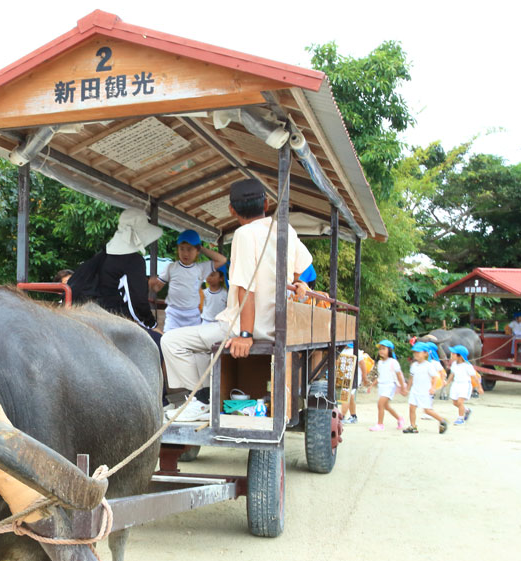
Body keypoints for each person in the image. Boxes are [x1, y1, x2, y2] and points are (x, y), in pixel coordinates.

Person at [161, 178, 312, 421]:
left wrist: (245, 335)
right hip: (278, 325)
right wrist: (301, 283)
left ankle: (199, 401)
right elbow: (301, 270)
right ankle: (206, 397)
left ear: (232, 210)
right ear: (266, 203)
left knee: (172, 341)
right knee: (199, 346)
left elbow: (245, 289)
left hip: (244, 327)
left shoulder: (243, 234)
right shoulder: (286, 230)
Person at [149, 230, 227, 332]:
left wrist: (201, 248)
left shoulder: (201, 268)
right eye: (182, 249)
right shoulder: (171, 267)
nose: (185, 253)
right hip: (173, 315)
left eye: (190, 249)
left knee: (193, 346)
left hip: (192, 317)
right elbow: (157, 288)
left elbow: (222, 260)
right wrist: (152, 285)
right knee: (168, 342)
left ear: (197, 251)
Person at [403, 342, 448, 434]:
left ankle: (442, 421)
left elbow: (435, 377)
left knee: (427, 410)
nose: (416, 354)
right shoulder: (414, 366)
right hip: (415, 390)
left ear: (425, 353)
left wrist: (433, 388)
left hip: (425, 392)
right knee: (412, 407)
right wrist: (407, 388)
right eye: (414, 352)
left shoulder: (428, 365)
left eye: (418, 352)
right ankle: (413, 426)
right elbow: (411, 378)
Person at [369, 340, 406, 432]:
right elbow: (380, 377)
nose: (381, 351)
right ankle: (399, 418)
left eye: (383, 349)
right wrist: (371, 385)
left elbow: (399, 375)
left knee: (380, 404)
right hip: (382, 386)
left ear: (389, 350)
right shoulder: (380, 363)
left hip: (390, 386)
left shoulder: (393, 362)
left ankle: (380, 425)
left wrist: (403, 387)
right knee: (386, 406)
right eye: (380, 349)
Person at [448, 344, 483, 425]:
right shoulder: (454, 364)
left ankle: (460, 418)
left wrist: (479, 387)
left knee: (460, 402)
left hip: (465, 385)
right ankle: (466, 410)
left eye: (453, 354)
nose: (451, 355)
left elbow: (475, 377)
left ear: (460, 356)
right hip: (456, 384)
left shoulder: (467, 366)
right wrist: (447, 382)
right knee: (455, 402)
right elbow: (452, 374)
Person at [339, 343, 371, 424]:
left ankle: (342, 416)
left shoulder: (356, 351)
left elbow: (363, 365)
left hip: (353, 378)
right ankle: (353, 416)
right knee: (351, 396)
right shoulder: (342, 350)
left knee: (346, 396)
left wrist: (364, 378)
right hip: (344, 377)